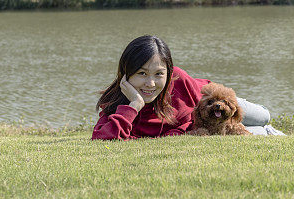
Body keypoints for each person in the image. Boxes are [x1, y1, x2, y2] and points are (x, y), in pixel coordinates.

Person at [92, 34, 284, 140]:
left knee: (264, 116)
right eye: (142, 73)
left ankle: (264, 124)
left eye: (159, 74)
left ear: (169, 73)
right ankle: (268, 131)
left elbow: (204, 102)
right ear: (126, 73)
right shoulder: (116, 103)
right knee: (258, 132)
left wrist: (221, 108)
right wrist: (134, 104)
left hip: (215, 100)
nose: (150, 83)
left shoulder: (179, 79)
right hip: (204, 126)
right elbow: (102, 140)